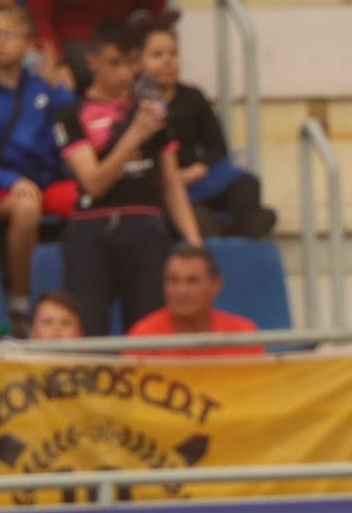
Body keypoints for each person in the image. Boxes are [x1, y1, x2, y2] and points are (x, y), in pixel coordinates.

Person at [54, 19, 202, 337]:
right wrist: (135, 134)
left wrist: (193, 241)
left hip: (145, 224)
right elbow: (94, 182)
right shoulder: (70, 114)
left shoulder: (153, 112)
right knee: (89, 332)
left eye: (130, 64)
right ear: (91, 60)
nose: (124, 74)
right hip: (91, 227)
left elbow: (173, 183)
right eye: (114, 63)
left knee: (149, 332)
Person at [0, 6, 77, 332]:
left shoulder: (43, 87)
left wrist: (58, 89)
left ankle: (77, 302)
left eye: (8, 35)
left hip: (47, 181)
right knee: (27, 206)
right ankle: (20, 304)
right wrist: (12, 179)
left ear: (29, 44)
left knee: (93, 202)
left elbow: (75, 134)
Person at [138, 17, 276, 238]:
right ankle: (226, 232)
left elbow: (217, 146)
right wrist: (174, 178)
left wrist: (199, 169)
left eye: (173, 54)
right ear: (138, 61)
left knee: (248, 183)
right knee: (197, 217)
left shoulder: (193, 97)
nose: (167, 61)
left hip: (199, 178)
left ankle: (240, 229)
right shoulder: (136, 103)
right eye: (157, 55)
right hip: (165, 186)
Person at [128, 243, 262, 357]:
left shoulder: (243, 334)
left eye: (192, 281)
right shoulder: (144, 336)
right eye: (173, 281)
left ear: (216, 285)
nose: (182, 291)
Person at [28, 0, 165, 93]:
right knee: (90, 69)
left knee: (155, 68)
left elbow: (153, 13)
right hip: (70, 39)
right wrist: (58, 62)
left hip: (122, 37)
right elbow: (38, 16)